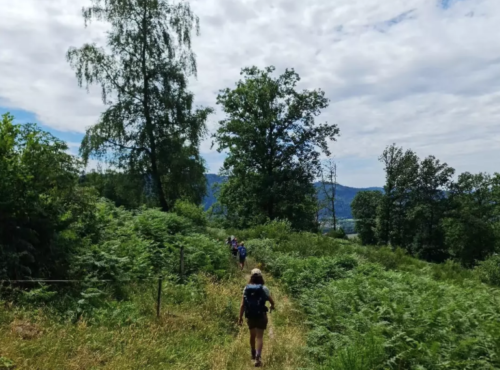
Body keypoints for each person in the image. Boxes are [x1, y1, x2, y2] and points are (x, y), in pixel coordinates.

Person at [238, 268, 275, 367]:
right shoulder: (264, 288)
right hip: (261, 316)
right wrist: (272, 306)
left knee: (252, 335)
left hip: (250, 316)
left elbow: (242, 305)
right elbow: (272, 302)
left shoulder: (246, 288)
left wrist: (240, 317)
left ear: (251, 277)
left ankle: (253, 353)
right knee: (259, 337)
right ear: (261, 277)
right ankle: (258, 357)